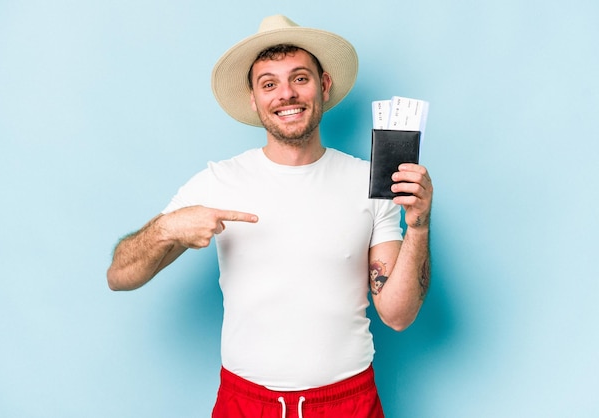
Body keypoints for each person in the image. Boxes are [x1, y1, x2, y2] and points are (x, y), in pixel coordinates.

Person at [107, 14, 433, 418]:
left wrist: (418, 223)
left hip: (346, 404)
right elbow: (119, 276)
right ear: (254, 99)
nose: (286, 94)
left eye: (300, 78)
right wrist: (166, 228)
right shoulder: (218, 181)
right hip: (245, 404)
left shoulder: (369, 181)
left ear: (324, 86)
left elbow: (398, 316)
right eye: (269, 83)